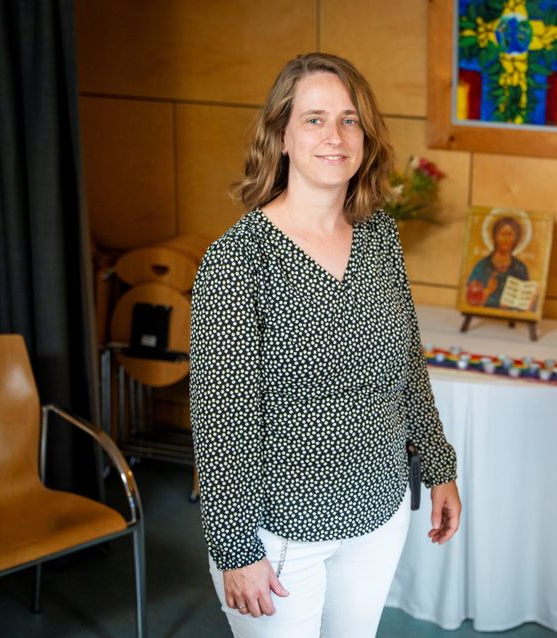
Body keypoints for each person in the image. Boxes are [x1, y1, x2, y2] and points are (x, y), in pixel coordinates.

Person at [189, 52, 461, 638]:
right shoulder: (237, 262)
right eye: (314, 119)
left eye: (348, 120)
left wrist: (440, 467)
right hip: (282, 531)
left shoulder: (378, 235)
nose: (334, 136)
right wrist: (235, 548)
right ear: (281, 136)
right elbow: (219, 423)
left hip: (379, 512)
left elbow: (408, 364)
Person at [464, 216, 530, 308]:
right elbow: (471, 301)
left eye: (510, 235)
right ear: (495, 237)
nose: (506, 239)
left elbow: (524, 301)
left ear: (516, 239)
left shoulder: (520, 269)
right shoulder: (482, 266)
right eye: (502, 234)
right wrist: (488, 291)